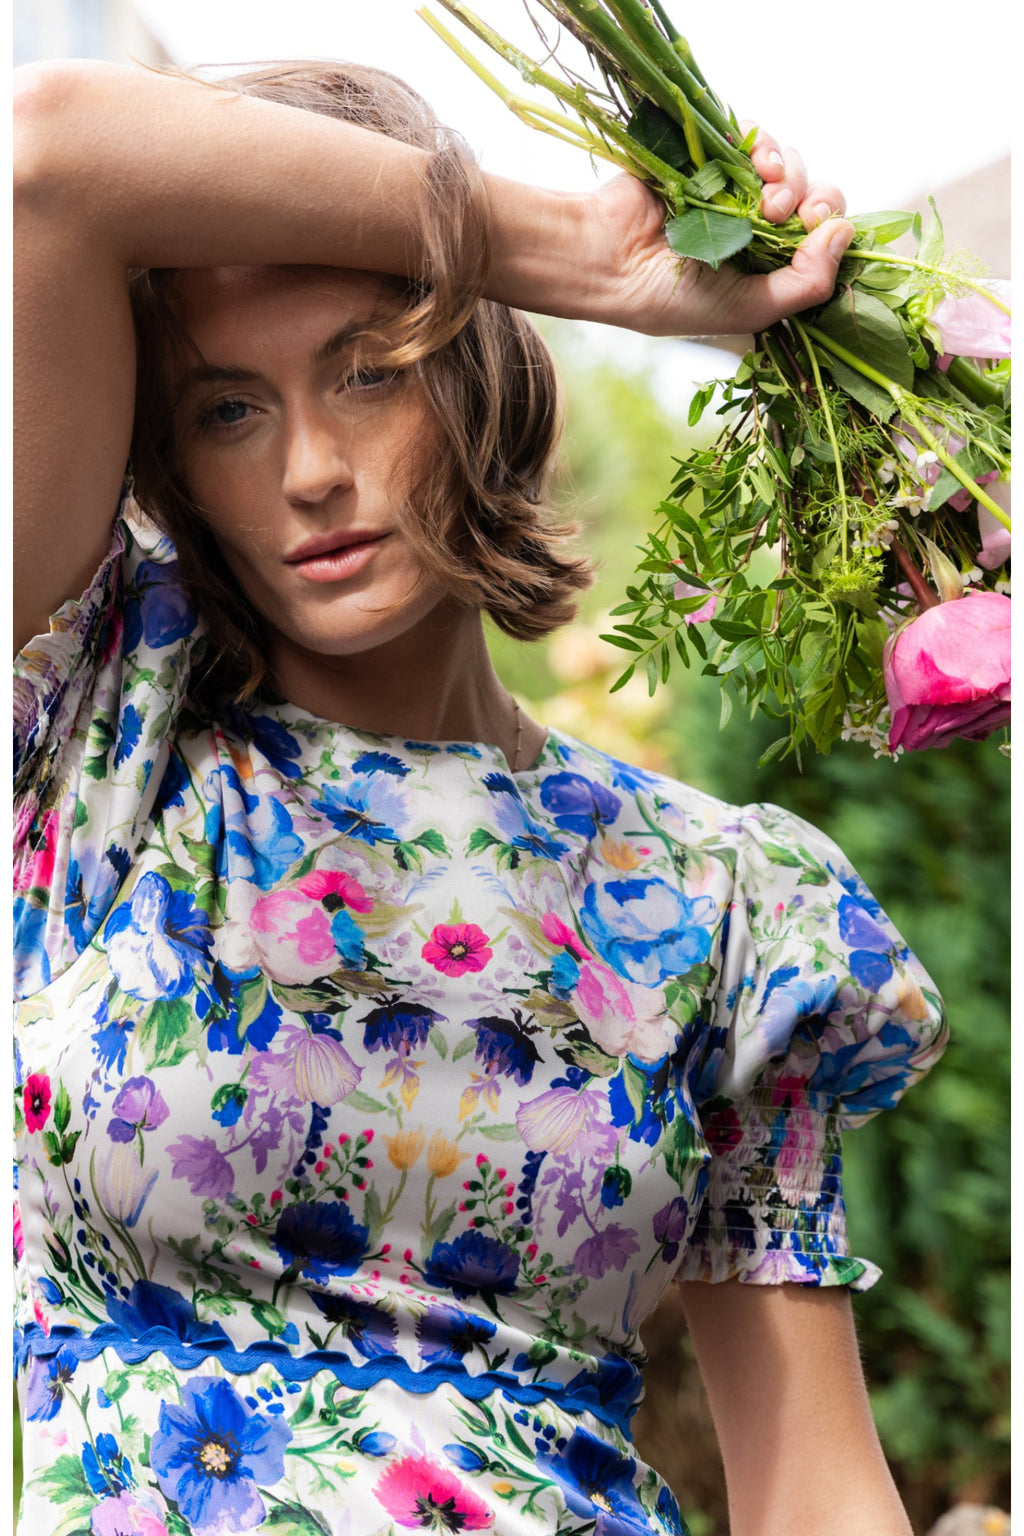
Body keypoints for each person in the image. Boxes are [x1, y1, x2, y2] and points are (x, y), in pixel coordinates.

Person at [14, 54, 947, 1536]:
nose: (310, 468)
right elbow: (48, 156)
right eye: (228, 412)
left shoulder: (722, 901)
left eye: (371, 369)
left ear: (475, 371)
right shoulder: (95, 725)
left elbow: (812, 1486)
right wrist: (573, 252)